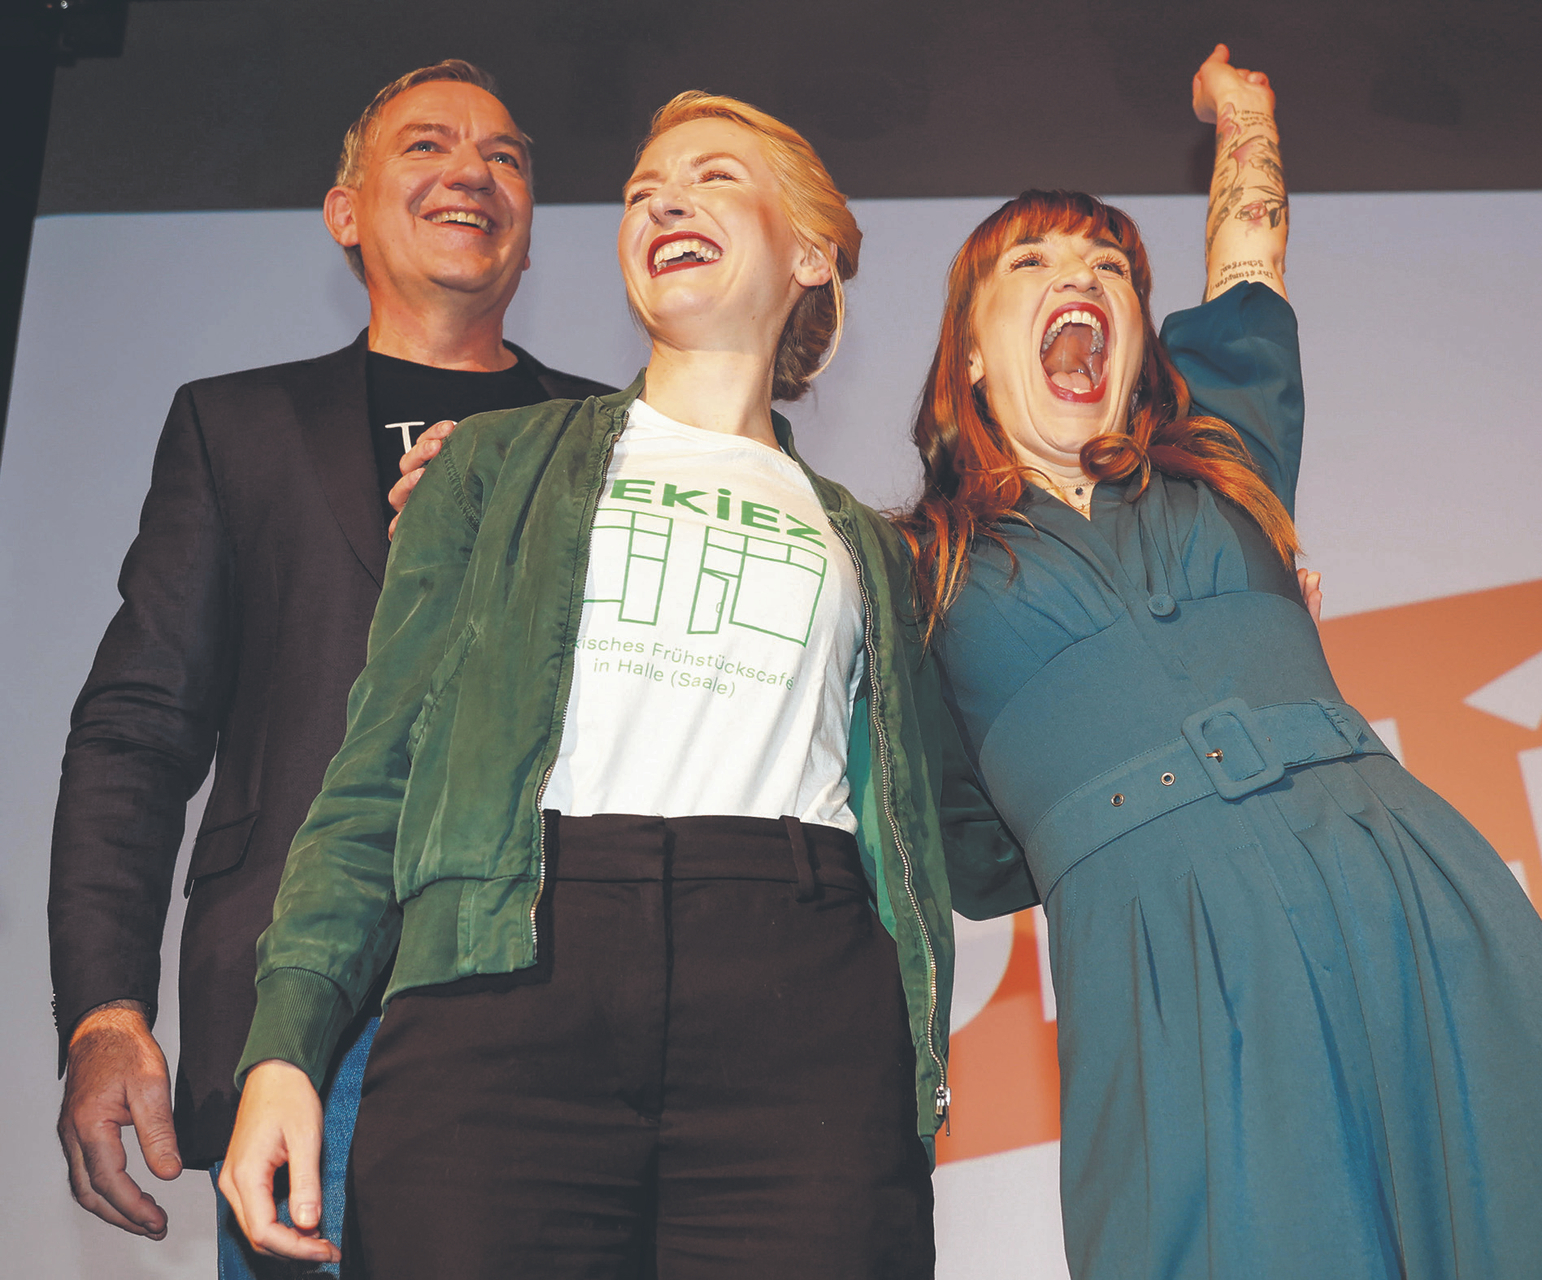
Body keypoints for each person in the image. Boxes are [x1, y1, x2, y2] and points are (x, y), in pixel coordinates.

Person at [901, 45, 1542, 1279]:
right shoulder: (918, 568)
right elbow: (970, 845)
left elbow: (1249, 262)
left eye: (1110, 264)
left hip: (1394, 881)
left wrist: (1245, 116)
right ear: (967, 351)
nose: (1085, 278)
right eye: (1037, 262)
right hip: (1162, 955)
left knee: (1531, 1218)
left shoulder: (1221, 450)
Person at [219, 91, 995, 1280]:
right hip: (507, 975)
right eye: (642, 190)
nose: (664, 199)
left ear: (811, 249)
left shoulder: (872, 547)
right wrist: (286, 1039)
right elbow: (378, 768)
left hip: (801, 997)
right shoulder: (494, 463)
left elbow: (969, 831)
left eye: (714, 175)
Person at [48, 59, 613, 1277]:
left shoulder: (614, 443)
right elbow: (136, 735)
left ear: (528, 232)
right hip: (307, 1037)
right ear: (344, 211)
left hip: (561, 1018)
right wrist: (105, 1009)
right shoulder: (236, 428)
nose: (472, 169)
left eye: (506, 156)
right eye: (426, 145)